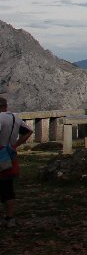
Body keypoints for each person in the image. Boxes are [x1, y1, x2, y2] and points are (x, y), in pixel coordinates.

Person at [0, 97, 34, 228]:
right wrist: (15, 145)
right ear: (6, 106)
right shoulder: (15, 118)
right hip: (9, 153)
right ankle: (10, 217)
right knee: (8, 187)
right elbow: (29, 131)